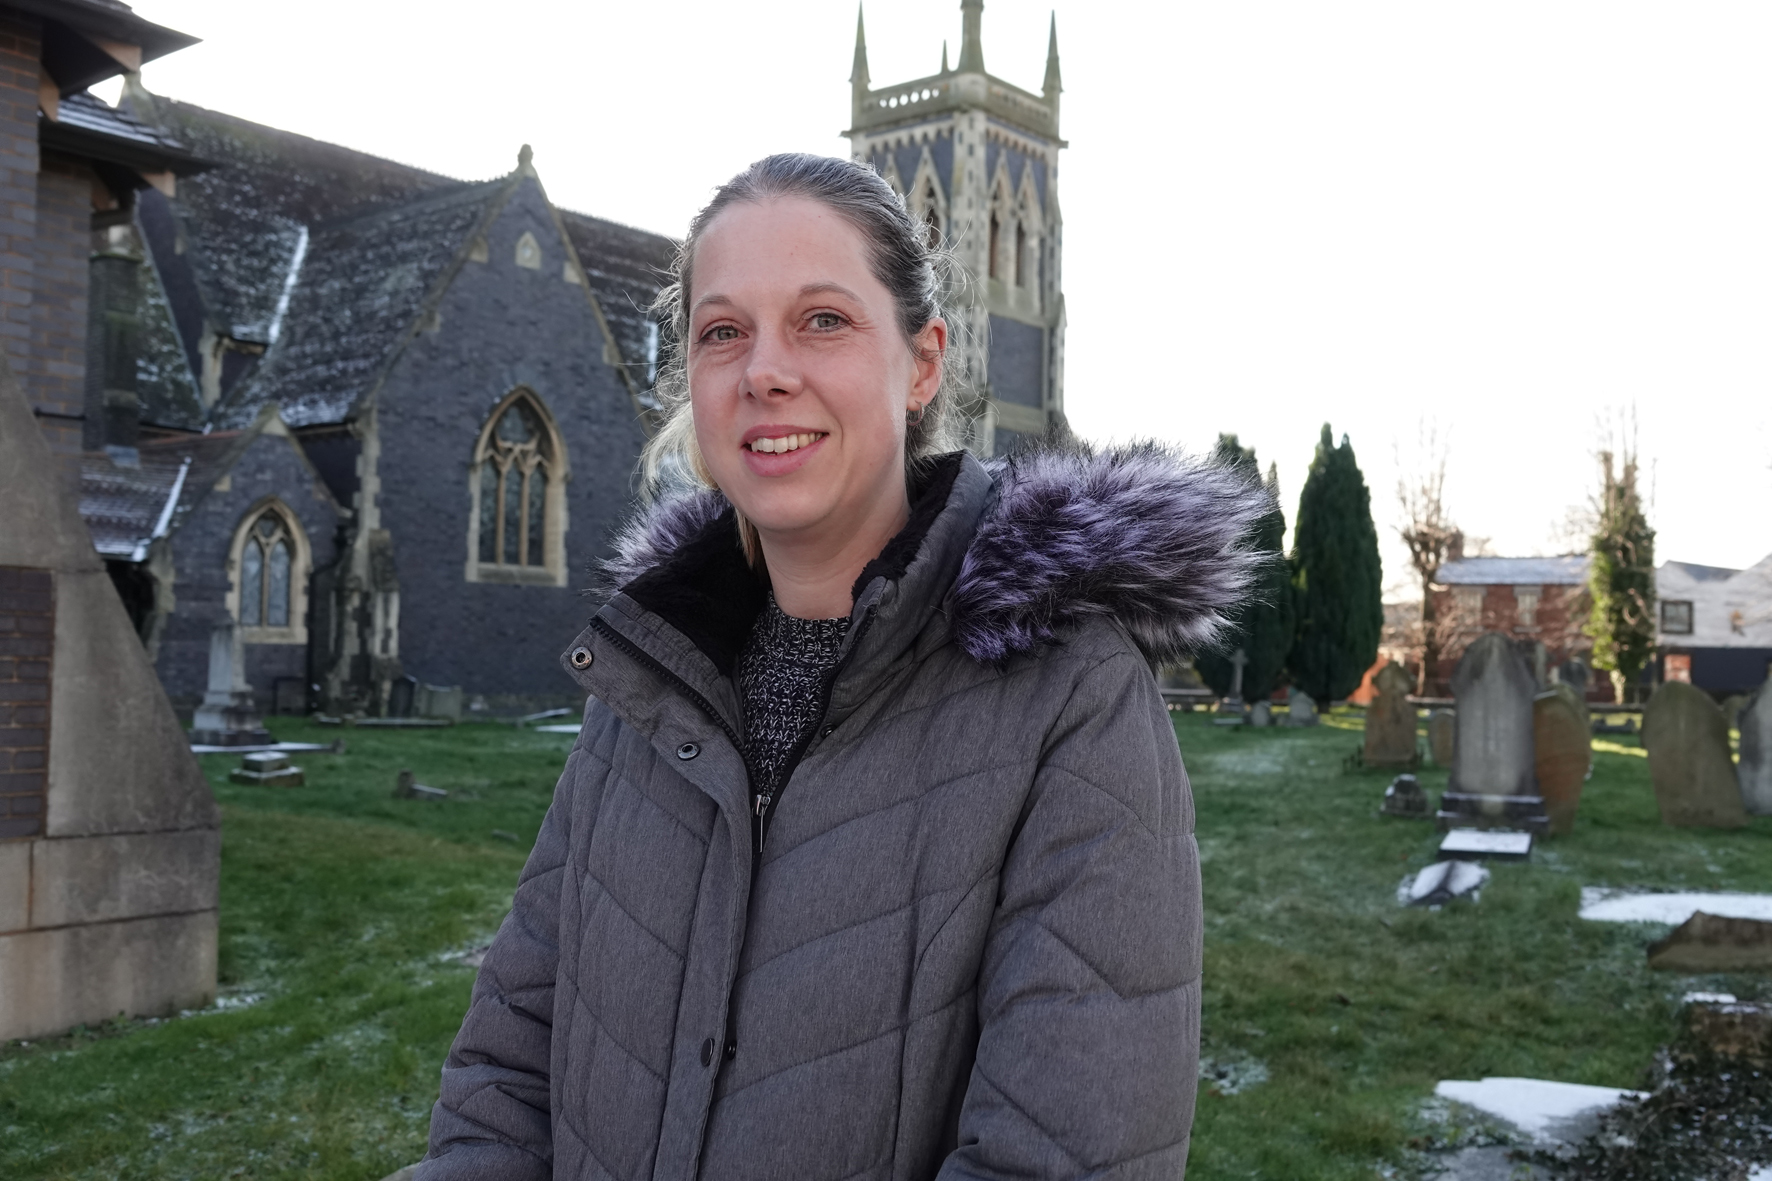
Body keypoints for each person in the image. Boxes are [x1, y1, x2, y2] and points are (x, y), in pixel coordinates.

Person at [420, 153, 1267, 1181]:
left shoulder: (1069, 698)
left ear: (921, 364)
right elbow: (508, 1063)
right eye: (722, 331)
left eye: (822, 319)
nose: (763, 370)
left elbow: (1060, 1154)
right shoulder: (650, 677)